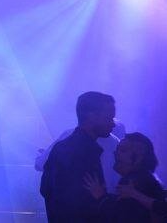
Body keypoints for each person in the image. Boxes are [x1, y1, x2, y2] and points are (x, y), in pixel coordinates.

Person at [40, 91, 116, 222]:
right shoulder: (82, 152)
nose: (113, 124)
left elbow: (45, 189)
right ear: (91, 116)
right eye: (109, 118)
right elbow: (82, 203)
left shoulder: (65, 147)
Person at [83, 132, 167, 222]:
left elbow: (121, 218)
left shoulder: (132, 183)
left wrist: (101, 197)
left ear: (139, 158)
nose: (115, 153)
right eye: (117, 149)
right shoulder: (145, 178)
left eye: (122, 150)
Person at [35, 120, 125, 193]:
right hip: (108, 203)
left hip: (73, 203)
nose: (112, 124)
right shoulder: (118, 144)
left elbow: (40, 164)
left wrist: (42, 156)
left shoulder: (69, 135)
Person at [119, 137, 167, 217]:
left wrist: (133, 193)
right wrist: (159, 192)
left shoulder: (140, 179)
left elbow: (165, 209)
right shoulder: (145, 179)